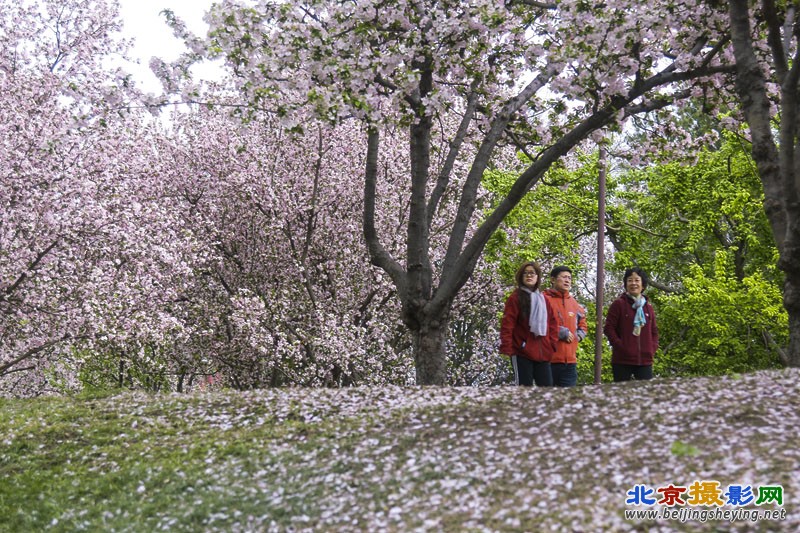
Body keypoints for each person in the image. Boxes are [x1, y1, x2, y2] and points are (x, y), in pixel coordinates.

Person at [500, 261, 558, 386]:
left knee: (547, 391)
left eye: (532, 273)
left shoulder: (544, 299)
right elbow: (507, 324)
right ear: (521, 277)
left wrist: (552, 344)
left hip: (543, 352)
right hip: (522, 352)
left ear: (538, 277)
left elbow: (552, 324)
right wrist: (508, 347)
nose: (529, 276)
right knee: (524, 391)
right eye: (525, 273)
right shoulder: (516, 298)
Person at [603, 267, 659, 382]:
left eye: (637, 280)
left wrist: (652, 348)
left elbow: (654, 332)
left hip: (645, 361)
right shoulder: (618, 304)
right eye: (630, 280)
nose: (633, 283)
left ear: (643, 285)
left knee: (645, 396)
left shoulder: (648, 307)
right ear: (625, 284)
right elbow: (609, 328)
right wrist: (621, 346)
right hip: (622, 360)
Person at [544, 266, 588, 387]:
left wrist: (576, 337)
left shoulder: (574, 303)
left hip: (570, 363)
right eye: (564, 277)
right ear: (553, 280)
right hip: (547, 362)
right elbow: (537, 324)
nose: (567, 280)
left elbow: (583, 325)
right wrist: (559, 332)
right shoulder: (543, 300)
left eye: (569, 278)